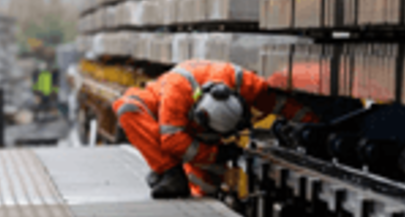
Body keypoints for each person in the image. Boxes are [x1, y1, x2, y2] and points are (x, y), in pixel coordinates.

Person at [112, 60, 317, 199]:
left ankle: (186, 183)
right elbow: (172, 140)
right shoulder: (179, 90)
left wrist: (313, 124)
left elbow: (279, 104)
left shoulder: (245, 85)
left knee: (207, 186)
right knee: (128, 108)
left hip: (201, 138)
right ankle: (170, 172)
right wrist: (217, 154)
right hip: (166, 119)